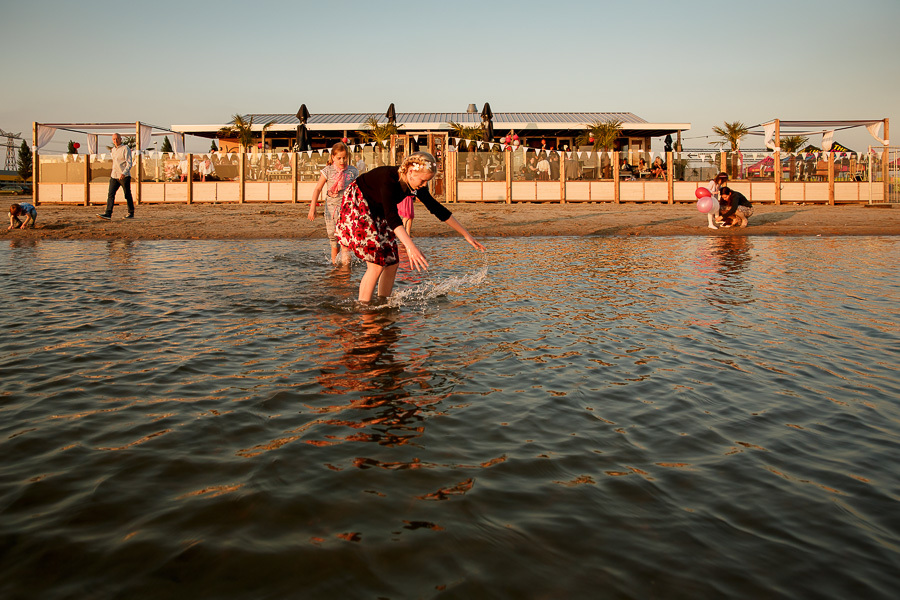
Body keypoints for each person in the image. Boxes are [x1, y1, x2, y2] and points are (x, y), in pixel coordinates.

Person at [334, 151, 485, 304]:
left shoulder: (415, 185)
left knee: (392, 261)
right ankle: (364, 308)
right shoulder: (388, 180)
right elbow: (393, 217)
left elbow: (436, 208)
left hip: (378, 211)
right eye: (423, 180)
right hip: (358, 206)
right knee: (376, 263)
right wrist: (410, 247)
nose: (424, 185)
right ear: (411, 171)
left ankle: (382, 303)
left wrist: (466, 235)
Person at [309, 141, 359, 264]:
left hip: (348, 209)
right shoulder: (327, 171)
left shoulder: (353, 171)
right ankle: (335, 266)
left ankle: (346, 270)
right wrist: (312, 208)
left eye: (344, 158)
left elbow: (358, 190)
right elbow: (317, 189)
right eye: (339, 158)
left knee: (345, 241)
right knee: (333, 239)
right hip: (331, 210)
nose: (342, 161)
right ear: (333, 158)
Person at [98, 133, 134, 220]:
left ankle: (131, 212)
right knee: (111, 194)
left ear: (121, 139)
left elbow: (129, 163)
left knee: (127, 194)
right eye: (114, 139)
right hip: (114, 176)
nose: (116, 141)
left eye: (117, 139)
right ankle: (108, 213)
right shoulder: (113, 150)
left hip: (123, 176)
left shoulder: (125, 148)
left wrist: (124, 173)